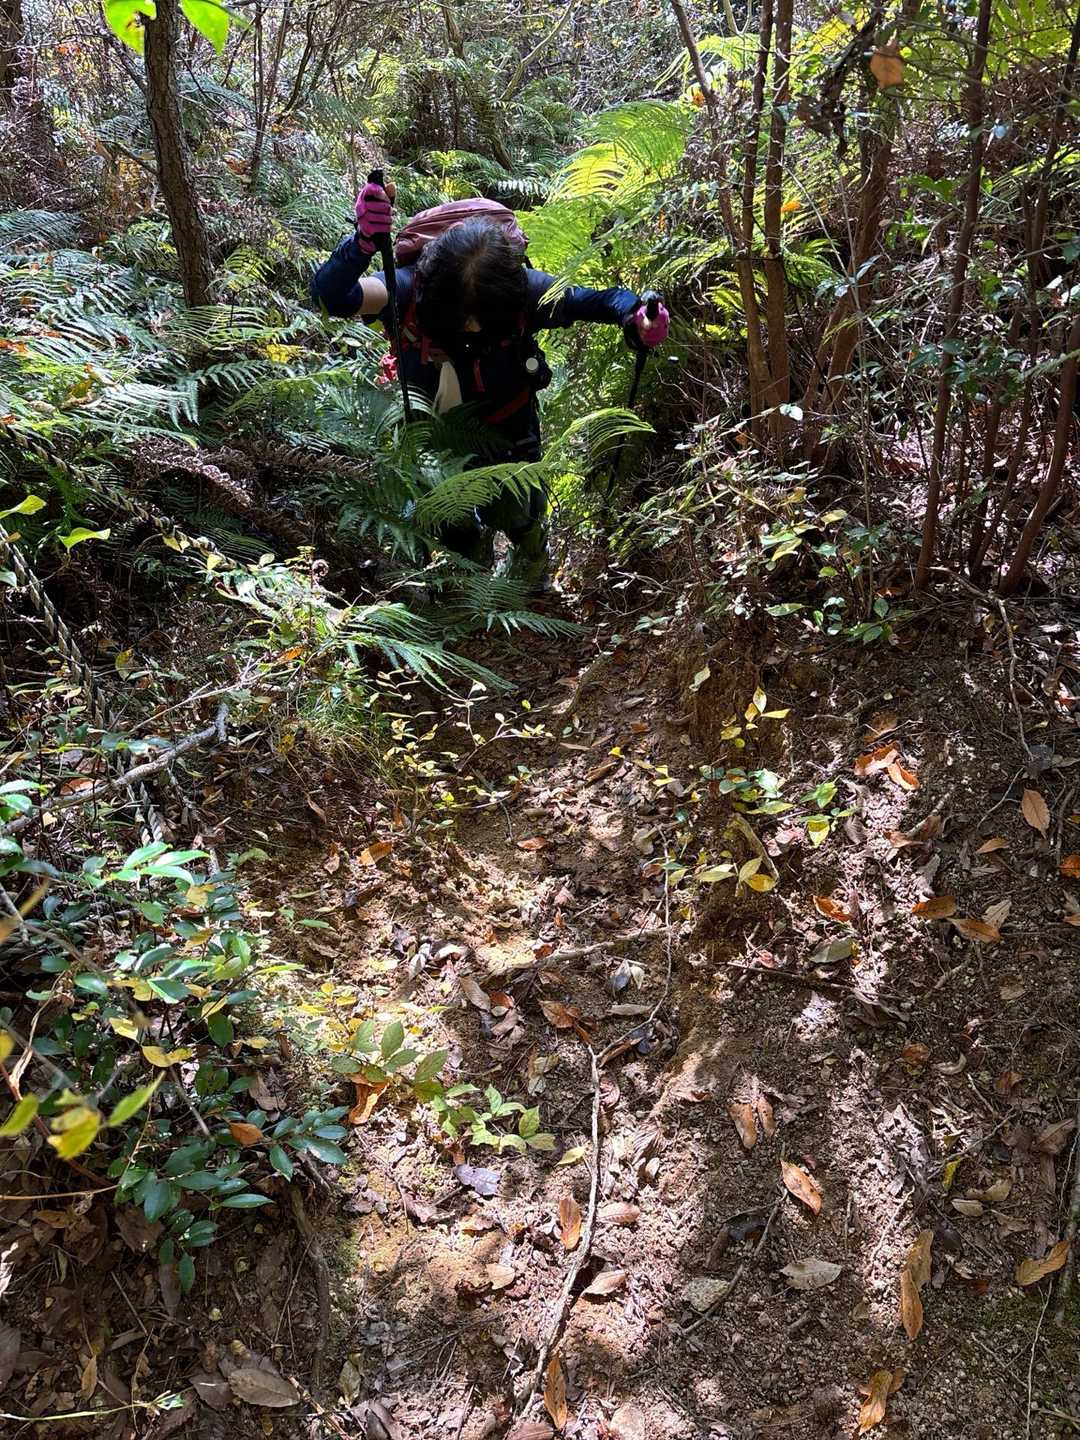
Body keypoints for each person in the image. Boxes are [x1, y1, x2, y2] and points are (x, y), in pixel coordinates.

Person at [311, 178, 669, 591]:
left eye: (484, 317)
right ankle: (470, 581)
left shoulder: (525, 289)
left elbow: (600, 301)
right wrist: (361, 244)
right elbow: (330, 297)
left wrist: (637, 317)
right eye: (462, 316)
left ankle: (529, 567)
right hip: (435, 434)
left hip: (511, 427)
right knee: (452, 523)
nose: (473, 327)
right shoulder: (406, 287)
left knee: (519, 513)